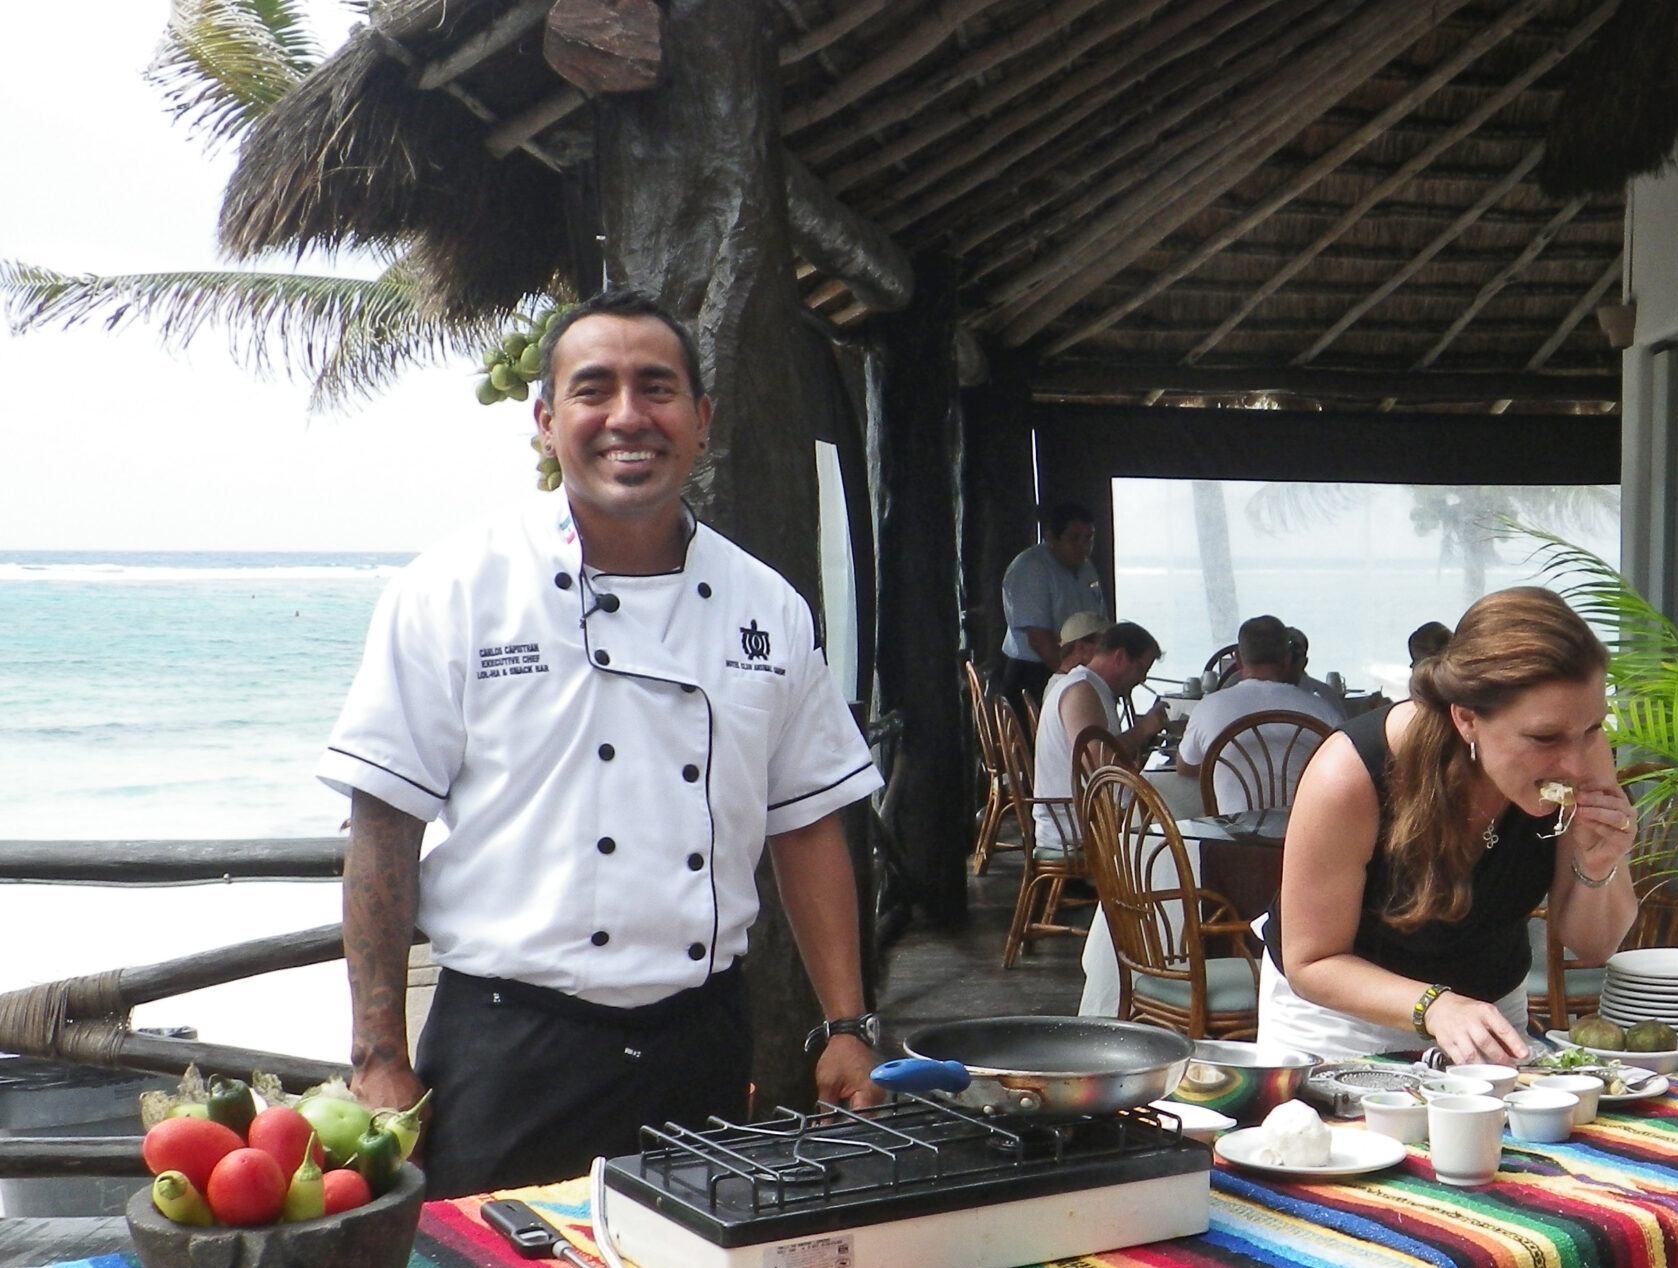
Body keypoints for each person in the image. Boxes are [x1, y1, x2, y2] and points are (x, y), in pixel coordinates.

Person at [319, 289, 887, 1197]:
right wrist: (377, 1054)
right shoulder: (456, 589)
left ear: (701, 421)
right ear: (546, 422)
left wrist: (845, 1024)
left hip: (701, 1044)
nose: (629, 416)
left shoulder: (768, 607)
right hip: (510, 1046)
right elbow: (384, 827)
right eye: (595, 389)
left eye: (657, 389)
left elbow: (809, 820)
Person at [1261, 587, 1639, 1063]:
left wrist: (1599, 863)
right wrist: (1435, 1008)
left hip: (1488, 1018)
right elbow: (1311, 962)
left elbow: (1594, 944)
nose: (1575, 763)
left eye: (1592, 729)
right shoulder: (1350, 774)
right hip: (1341, 1029)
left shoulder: (1582, 752)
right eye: (1544, 737)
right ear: (1466, 719)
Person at [1032, 620, 1166, 850]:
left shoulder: (1091, 686)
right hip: (1077, 825)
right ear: (1120, 657)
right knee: (1185, 805)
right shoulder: (1080, 690)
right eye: (1141, 669)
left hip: (1090, 812)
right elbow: (1098, 760)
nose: (1142, 679)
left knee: (1177, 799)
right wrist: (1143, 729)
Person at [1176, 615, 1338, 798]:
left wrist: (1230, 768)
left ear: (1237, 659)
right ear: (1287, 659)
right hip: (1305, 824)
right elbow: (1344, 769)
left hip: (1231, 825)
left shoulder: (1208, 708)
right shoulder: (1322, 711)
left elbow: (1185, 767)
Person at [998, 501, 1107, 709]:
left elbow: (1099, 623)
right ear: (1050, 537)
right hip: (1035, 672)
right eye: (1074, 538)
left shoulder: (1086, 568)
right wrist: (1072, 680)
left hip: (1078, 666)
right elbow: (1039, 639)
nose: (1084, 546)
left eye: (1089, 538)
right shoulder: (1030, 569)